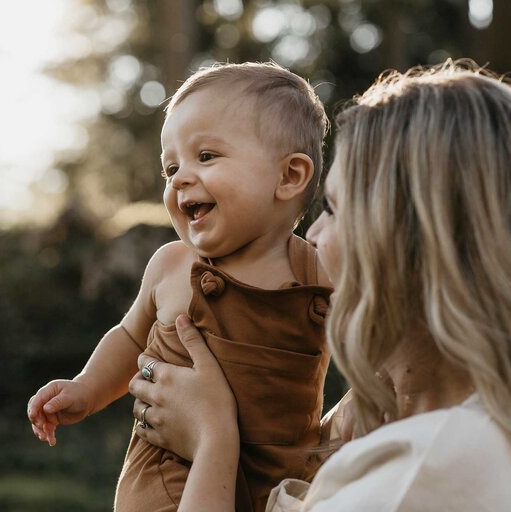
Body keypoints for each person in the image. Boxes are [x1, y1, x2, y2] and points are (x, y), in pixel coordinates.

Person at [129, 60, 511, 511]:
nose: (312, 236)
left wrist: (213, 438)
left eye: (332, 208)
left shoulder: (423, 472)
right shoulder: (431, 429)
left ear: (410, 238)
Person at [27, 62, 333, 511]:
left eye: (205, 157)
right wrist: (86, 389)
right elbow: (129, 336)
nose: (180, 179)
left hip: (277, 492)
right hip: (165, 486)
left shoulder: (318, 274)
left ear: (289, 177)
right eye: (171, 167)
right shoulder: (172, 265)